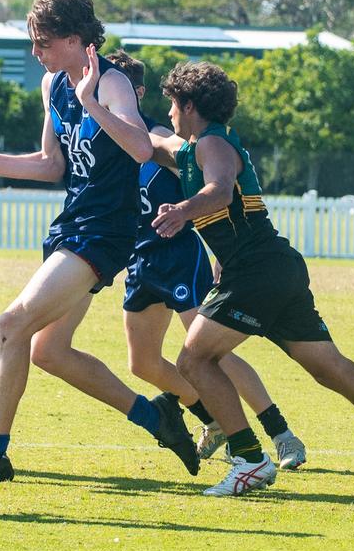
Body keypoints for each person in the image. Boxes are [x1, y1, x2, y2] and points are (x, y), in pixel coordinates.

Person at [0, 0, 198, 482]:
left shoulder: (110, 83)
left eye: (43, 42)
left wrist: (91, 100)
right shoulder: (52, 84)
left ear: (75, 39)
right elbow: (52, 165)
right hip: (71, 224)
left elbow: (140, 149)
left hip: (104, 233)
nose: (36, 53)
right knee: (47, 350)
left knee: (12, 323)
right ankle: (156, 416)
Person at [152, 61, 354, 497]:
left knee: (194, 361)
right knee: (331, 368)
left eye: (172, 105)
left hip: (255, 272)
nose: (170, 113)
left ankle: (250, 459)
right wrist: (103, 107)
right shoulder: (201, 145)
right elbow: (153, 141)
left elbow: (218, 189)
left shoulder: (211, 145)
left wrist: (180, 211)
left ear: (189, 104)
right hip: (274, 267)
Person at [107, 49, 307, 469]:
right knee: (142, 362)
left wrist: (190, 218)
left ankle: (279, 432)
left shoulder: (169, 137)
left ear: (135, 92)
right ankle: (214, 421)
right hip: (142, 258)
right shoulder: (101, 137)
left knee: (211, 352)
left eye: (115, 86)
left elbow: (214, 186)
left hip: (180, 257)